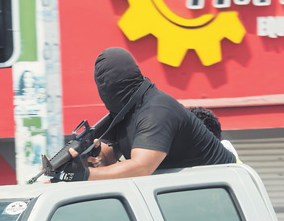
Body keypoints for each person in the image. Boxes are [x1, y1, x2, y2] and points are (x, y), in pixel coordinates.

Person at [58, 48, 236, 181]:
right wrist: (92, 160)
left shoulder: (157, 110)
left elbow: (141, 167)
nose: (104, 90)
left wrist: (86, 175)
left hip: (226, 187)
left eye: (107, 85)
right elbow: (106, 155)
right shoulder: (125, 112)